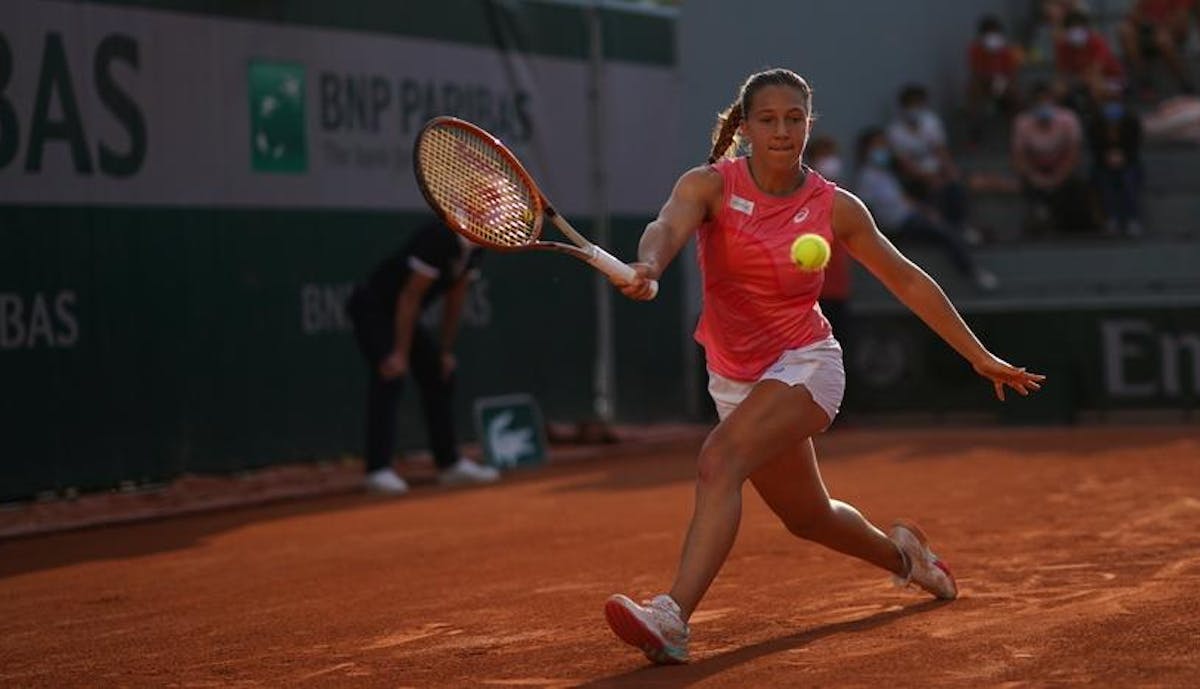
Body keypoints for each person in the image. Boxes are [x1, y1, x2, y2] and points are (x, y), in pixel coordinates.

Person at [602, 68, 1044, 665]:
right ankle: (909, 560)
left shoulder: (837, 207)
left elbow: (908, 281)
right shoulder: (708, 185)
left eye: (794, 118)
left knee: (718, 461)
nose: (782, 131)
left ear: (809, 124)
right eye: (768, 119)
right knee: (809, 518)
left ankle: (672, 616)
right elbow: (665, 228)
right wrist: (648, 266)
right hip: (735, 376)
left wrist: (978, 355)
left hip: (805, 363)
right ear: (747, 127)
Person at [346, 221, 500, 496]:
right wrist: (399, 354)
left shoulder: (477, 248)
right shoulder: (439, 237)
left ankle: (449, 465)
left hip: (402, 316)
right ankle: (378, 470)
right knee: (391, 376)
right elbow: (409, 297)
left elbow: (456, 297)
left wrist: (444, 351)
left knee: (439, 375)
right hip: (374, 309)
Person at [855, 128, 999, 290]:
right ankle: (972, 271)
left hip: (912, 215)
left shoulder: (887, 173)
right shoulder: (866, 178)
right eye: (878, 145)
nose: (884, 149)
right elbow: (869, 210)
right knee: (945, 233)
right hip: (901, 225)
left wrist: (923, 210)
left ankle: (963, 230)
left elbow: (903, 199)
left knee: (951, 191)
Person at [885, 84, 978, 244]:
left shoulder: (931, 123)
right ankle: (945, 229)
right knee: (935, 189)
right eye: (911, 105)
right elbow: (904, 163)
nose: (914, 109)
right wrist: (928, 177)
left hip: (937, 172)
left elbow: (940, 150)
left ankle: (960, 227)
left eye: (918, 104)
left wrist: (950, 172)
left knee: (955, 187)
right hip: (914, 178)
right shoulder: (895, 131)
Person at [1011, 81, 1097, 235]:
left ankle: (1075, 230)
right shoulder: (1022, 122)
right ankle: (1038, 224)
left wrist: (1058, 177)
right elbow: (1019, 157)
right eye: (1039, 101)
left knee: (1075, 188)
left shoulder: (1069, 119)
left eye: (1047, 100)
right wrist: (1034, 177)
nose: (1044, 105)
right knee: (1032, 190)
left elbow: (1074, 154)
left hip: (1063, 171)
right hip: (1035, 171)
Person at [1086, 84, 1146, 236]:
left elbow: (1134, 147)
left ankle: (1133, 219)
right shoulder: (1095, 123)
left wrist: (1123, 158)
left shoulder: (1131, 121)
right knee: (1103, 181)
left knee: (1129, 179)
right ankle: (1111, 219)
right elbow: (1094, 148)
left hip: (1129, 162)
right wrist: (1107, 158)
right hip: (1102, 163)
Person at [1117, 0, 1197, 97]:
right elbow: (1133, 14)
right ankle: (1143, 79)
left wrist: (1160, 25)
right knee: (1125, 30)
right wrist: (1145, 23)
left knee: (1162, 39)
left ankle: (1185, 82)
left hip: (1168, 33)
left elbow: (1181, 24)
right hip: (1148, 30)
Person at [966, 15, 1025, 145]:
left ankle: (1016, 131)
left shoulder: (1008, 50)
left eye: (995, 32)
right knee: (973, 88)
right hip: (984, 83)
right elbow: (976, 71)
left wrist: (1002, 83)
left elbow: (1012, 73)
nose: (992, 36)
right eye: (988, 33)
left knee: (1014, 93)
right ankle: (975, 129)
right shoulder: (975, 49)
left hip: (1003, 83)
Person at [1054, 9, 1125, 111]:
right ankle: (1069, 118)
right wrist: (1062, 85)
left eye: (1078, 27)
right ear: (1066, 30)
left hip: (1111, 78)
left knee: (1095, 85)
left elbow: (1097, 70)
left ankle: (1099, 116)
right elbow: (1062, 72)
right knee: (1059, 89)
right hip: (1082, 78)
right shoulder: (1063, 47)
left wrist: (1085, 78)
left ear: (1086, 28)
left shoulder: (1097, 42)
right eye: (1072, 28)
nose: (1075, 31)